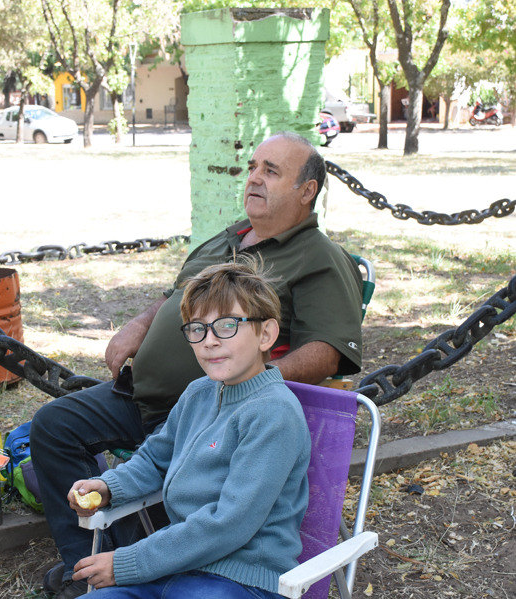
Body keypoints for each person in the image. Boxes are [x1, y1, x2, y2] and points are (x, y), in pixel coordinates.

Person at [31, 131, 363, 598]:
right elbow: (175, 303)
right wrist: (141, 326)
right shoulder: (225, 242)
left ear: (306, 190)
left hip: (232, 567)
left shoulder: (320, 260)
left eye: (271, 170)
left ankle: (130, 557)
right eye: (252, 167)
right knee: (54, 424)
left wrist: (244, 388)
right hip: (169, 399)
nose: (254, 178)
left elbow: (328, 351)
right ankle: (96, 562)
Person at [68, 258, 311, 598]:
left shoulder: (273, 413)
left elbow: (230, 524)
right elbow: (154, 460)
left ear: (266, 334)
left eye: (226, 325)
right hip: (175, 566)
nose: (209, 340)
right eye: (197, 329)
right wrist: (108, 486)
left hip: (241, 580)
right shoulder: (198, 393)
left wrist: (129, 562)